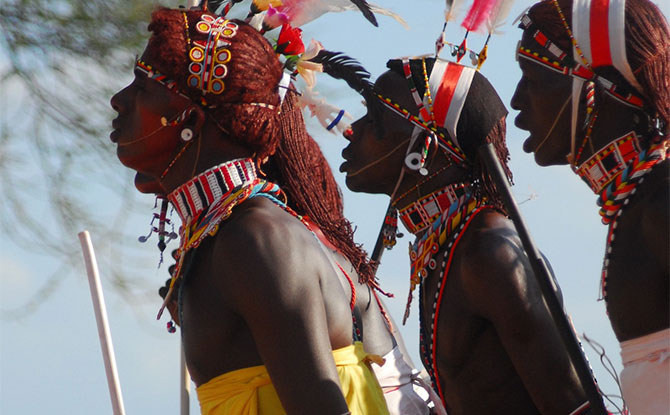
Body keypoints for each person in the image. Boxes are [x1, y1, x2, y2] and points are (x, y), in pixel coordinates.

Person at [110, 6, 389, 415]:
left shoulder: (256, 240)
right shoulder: (233, 235)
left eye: (143, 87)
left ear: (190, 118)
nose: (119, 100)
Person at [330, 55, 593, 414]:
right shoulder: (449, 245)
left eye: (374, 120)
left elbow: (576, 407)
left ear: (423, 150)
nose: (352, 129)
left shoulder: (489, 253)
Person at [510, 0, 669, 413]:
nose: (515, 101)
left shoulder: (662, 200)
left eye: (531, 78)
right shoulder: (637, 204)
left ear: (592, 85)